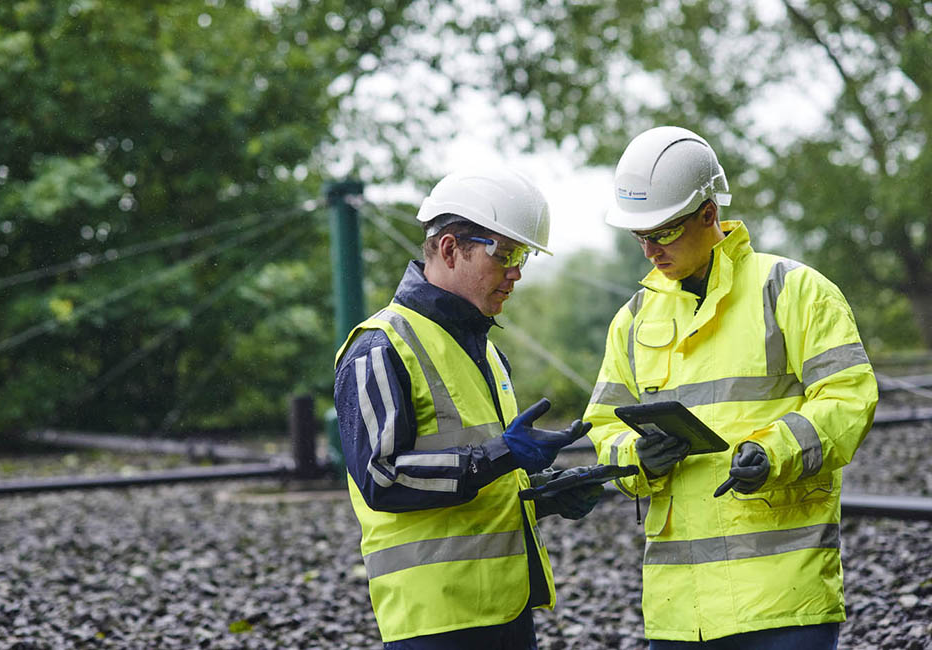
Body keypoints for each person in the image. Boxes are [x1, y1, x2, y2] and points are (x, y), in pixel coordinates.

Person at [584, 126, 878, 649]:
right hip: (681, 613)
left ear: (707, 213)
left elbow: (849, 397)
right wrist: (638, 458)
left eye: (664, 232)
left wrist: (774, 451)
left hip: (785, 603)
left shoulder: (793, 291)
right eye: (640, 236)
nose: (650, 250)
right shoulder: (630, 321)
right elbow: (604, 427)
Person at [334, 167, 602, 649]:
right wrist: (501, 455)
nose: (517, 271)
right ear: (450, 249)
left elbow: (474, 485)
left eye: (523, 256)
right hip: (435, 621)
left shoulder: (486, 350)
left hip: (507, 608)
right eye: (506, 253)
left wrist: (541, 496)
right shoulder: (380, 346)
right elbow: (383, 479)